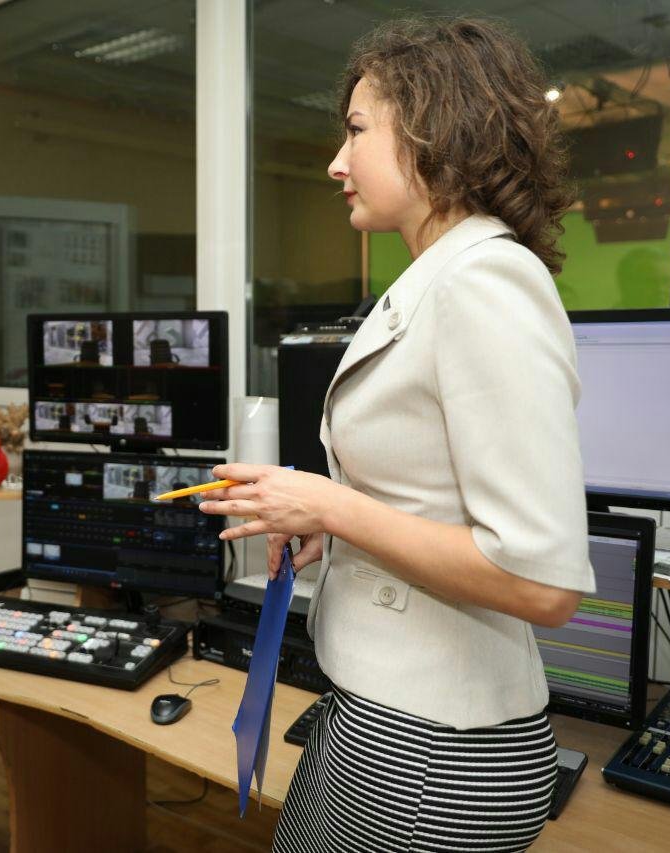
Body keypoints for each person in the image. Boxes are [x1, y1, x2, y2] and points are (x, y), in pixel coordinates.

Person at [198, 18, 594, 853]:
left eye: (355, 131)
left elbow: (540, 579)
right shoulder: (435, 280)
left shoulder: (486, 283)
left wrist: (331, 506)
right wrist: (337, 532)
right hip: (385, 717)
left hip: (432, 747)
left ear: (434, 131)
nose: (335, 163)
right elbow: (429, 501)